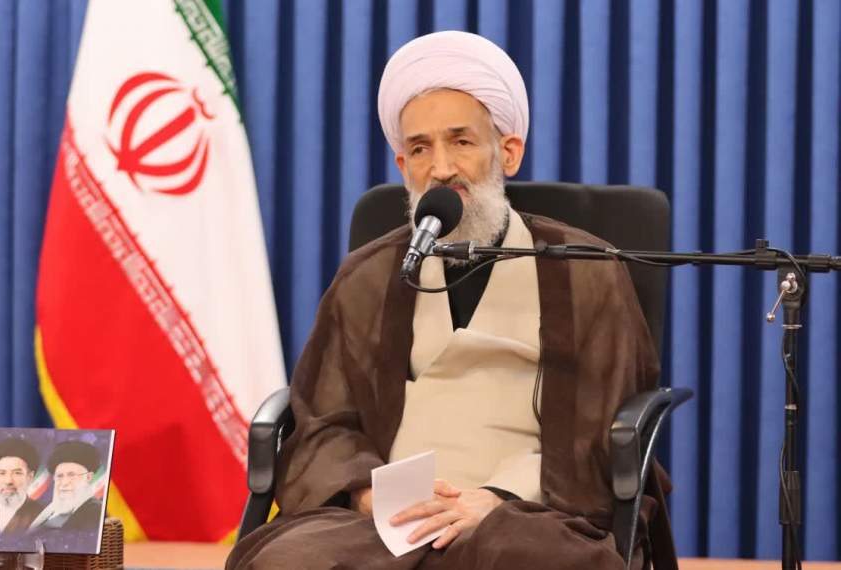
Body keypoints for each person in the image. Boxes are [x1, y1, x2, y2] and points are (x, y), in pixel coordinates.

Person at [227, 30, 673, 570]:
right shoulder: (369, 275)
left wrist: (497, 500)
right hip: (388, 520)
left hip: (526, 512)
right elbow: (322, 422)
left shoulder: (586, 269)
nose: (441, 168)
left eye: (461, 142)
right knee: (287, 561)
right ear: (403, 166)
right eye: (420, 148)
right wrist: (368, 495)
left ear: (508, 152)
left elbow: (599, 432)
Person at [29, 441, 104, 532]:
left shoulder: (96, 514)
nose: (64, 483)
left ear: (88, 477)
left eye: (71, 475)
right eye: (59, 476)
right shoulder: (49, 512)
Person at [0, 438, 45, 533]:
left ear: (30, 477)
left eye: (17, 473)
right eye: (2, 473)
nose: (8, 481)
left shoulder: (43, 518)